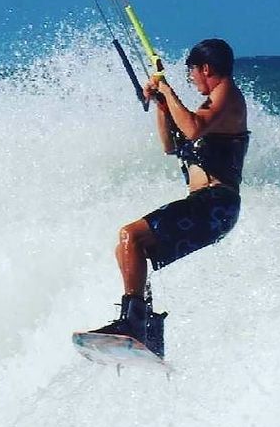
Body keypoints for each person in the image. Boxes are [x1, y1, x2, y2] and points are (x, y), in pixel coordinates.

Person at [88, 37, 250, 357]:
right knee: (129, 252)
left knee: (129, 235)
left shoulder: (226, 94)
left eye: (192, 72)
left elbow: (191, 129)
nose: (190, 78)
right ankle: (148, 330)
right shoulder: (209, 107)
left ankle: (132, 324)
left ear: (206, 68)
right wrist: (162, 105)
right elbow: (170, 145)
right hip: (208, 207)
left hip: (215, 203)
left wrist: (167, 90)